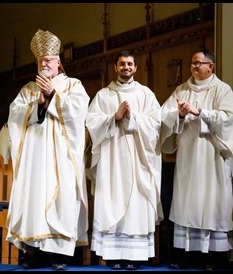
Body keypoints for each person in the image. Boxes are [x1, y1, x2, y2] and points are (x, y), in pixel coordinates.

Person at [6, 29, 90, 271]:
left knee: (61, 197)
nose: (44, 63)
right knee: (34, 196)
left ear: (59, 63)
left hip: (61, 156)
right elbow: (15, 116)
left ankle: (58, 254)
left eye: (49, 60)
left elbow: (78, 113)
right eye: (41, 60)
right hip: (34, 157)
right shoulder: (27, 89)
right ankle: (34, 252)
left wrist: (52, 95)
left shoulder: (73, 85)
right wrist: (38, 103)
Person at [160, 48, 233, 271]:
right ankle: (189, 255)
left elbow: (228, 119)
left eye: (198, 63)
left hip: (212, 154)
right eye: (192, 63)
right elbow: (164, 115)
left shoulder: (222, 90)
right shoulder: (182, 89)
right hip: (188, 155)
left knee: (213, 201)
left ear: (210, 67)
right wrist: (180, 115)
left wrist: (201, 112)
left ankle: (215, 257)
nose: (194, 67)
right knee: (187, 201)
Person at [86, 51, 164, 270]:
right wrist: (115, 117)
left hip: (138, 159)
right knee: (113, 199)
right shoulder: (103, 95)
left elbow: (156, 124)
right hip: (112, 160)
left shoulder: (146, 94)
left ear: (136, 68)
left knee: (135, 204)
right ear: (115, 67)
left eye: (130, 64)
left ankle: (133, 256)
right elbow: (91, 123)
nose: (126, 67)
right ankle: (113, 256)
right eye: (122, 64)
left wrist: (133, 118)